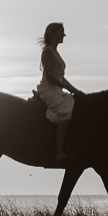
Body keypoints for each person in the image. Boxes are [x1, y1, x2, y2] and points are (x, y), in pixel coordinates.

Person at [34, 21, 85, 161]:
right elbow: (50, 77)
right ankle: (59, 152)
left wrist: (76, 91)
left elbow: (61, 77)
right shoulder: (48, 51)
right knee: (66, 111)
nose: (64, 34)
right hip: (49, 89)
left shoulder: (55, 51)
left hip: (56, 88)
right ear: (54, 33)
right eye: (62, 31)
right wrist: (70, 89)